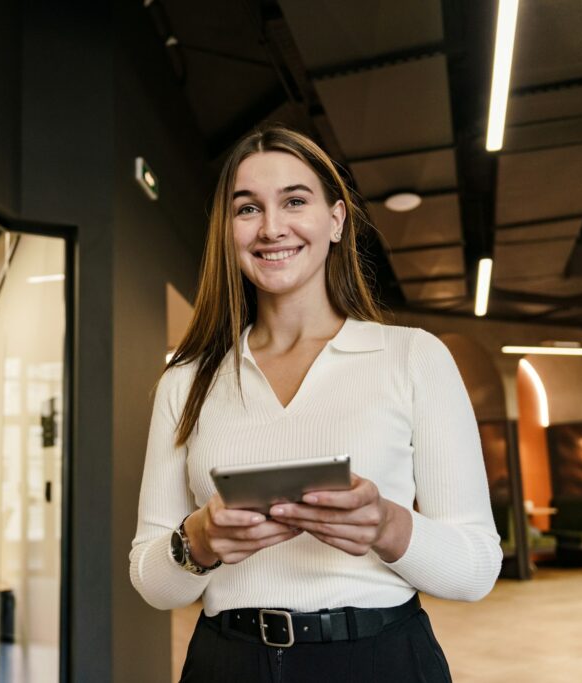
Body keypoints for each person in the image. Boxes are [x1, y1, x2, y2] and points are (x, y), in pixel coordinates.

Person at [130, 126, 502, 682]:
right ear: (227, 232)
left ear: (335, 220)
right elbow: (152, 582)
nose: (271, 227)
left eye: (295, 201)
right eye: (247, 208)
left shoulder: (411, 357)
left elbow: (476, 568)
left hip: (379, 660)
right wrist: (199, 540)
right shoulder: (186, 382)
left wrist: (387, 527)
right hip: (227, 663)